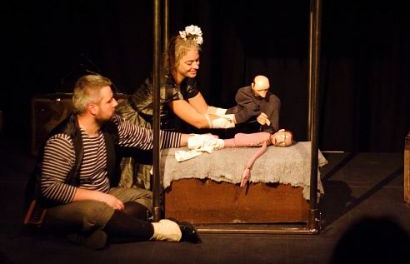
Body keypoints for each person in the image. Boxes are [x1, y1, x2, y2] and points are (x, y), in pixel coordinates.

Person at [26, 74, 200, 248]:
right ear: (92, 108)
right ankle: (160, 231)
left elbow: (147, 137)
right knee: (97, 211)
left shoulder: (110, 126)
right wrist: (101, 198)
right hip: (61, 207)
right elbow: (50, 189)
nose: (116, 103)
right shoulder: (63, 140)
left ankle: (94, 233)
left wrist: (193, 139)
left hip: (103, 195)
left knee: (149, 197)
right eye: (109, 101)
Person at [117, 24, 237, 189]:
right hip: (135, 123)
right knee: (139, 180)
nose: (196, 66)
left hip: (157, 126)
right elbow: (199, 121)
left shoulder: (188, 78)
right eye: (189, 62)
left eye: (197, 60)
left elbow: (204, 110)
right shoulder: (164, 83)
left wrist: (234, 113)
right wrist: (237, 120)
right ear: (173, 61)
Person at [180, 129, 294, 187]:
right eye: (283, 137)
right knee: (199, 142)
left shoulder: (266, 142)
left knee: (202, 143)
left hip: (227, 143)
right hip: (228, 141)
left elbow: (257, 154)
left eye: (284, 143)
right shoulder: (267, 136)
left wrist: (247, 169)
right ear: (281, 131)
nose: (281, 141)